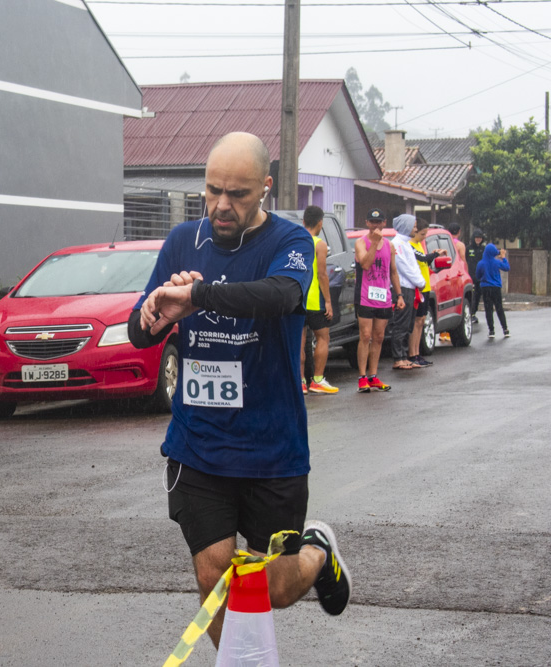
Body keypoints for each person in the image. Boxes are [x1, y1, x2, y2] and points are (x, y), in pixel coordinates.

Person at [127, 132, 351, 654]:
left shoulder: (290, 243)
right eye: (213, 191)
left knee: (270, 587)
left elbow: (279, 296)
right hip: (198, 444)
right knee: (214, 577)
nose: (222, 205)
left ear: (265, 190)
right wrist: (156, 312)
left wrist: (198, 295)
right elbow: (142, 330)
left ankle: (318, 551)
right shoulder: (183, 241)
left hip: (272, 448)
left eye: (238, 194)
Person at [354, 208, 406, 391]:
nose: (375, 225)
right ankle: (362, 377)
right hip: (365, 296)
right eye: (372, 222)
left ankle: (373, 375)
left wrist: (399, 295)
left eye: (379, 222)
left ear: (384, 223)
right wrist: (374, 244)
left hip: (383, 296)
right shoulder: (361, 243)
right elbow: (366, 264)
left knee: (379, 336)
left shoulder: (390, 246)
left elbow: (393, 271)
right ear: (367, 223)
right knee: (365, 336)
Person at [299, 205, 338, 394]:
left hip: (297, 299)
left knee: (299, 340)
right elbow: (322, 274)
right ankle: (317, 380)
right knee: (323, 337)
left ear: (303, 221)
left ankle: (300, 382)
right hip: (315, 300)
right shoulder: (319, 244)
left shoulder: (296, 240)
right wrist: (328, 301)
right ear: (320, 222)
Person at [407, 218, 447, 367]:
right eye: (423, 233)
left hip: (426, 286)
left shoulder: (419, 245)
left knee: (421, 321)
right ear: (415, 231)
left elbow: (425, 262)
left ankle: (417, 353)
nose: (424, 237)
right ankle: (412, 354)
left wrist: (434, 255)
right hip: (417, 288)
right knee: (416, 322)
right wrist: (435, 254)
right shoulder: (410, 246)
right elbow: (422, 258)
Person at [390, 214, 426, 370]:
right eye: (414, 226)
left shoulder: (405, 243)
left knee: (408, 324)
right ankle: (398, 358)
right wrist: (419, 281)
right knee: (400, 323)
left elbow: (414, 266)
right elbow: (403, 267)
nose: (416, 229)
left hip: (411, 287)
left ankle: (404, 356)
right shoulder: (397, 244)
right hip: (404, 287)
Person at [476, 243, 511, 339]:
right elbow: (507, 267)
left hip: (485, 288)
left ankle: (491, 330)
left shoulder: (481, 263)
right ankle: (505, 329)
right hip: (496, 288)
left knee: (488, 309)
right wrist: (503, 257)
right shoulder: (496, 262)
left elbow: (478, 275)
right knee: (499, 308)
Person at [465, 230, 486, 323]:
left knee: (477, 295)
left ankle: (473, 314)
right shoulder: (468, 248)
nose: (478, 239)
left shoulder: (483, 249)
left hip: (480, 277)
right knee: (470, 296)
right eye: (477, 238)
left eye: (480, 238)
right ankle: (469, 313)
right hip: (470, 275)